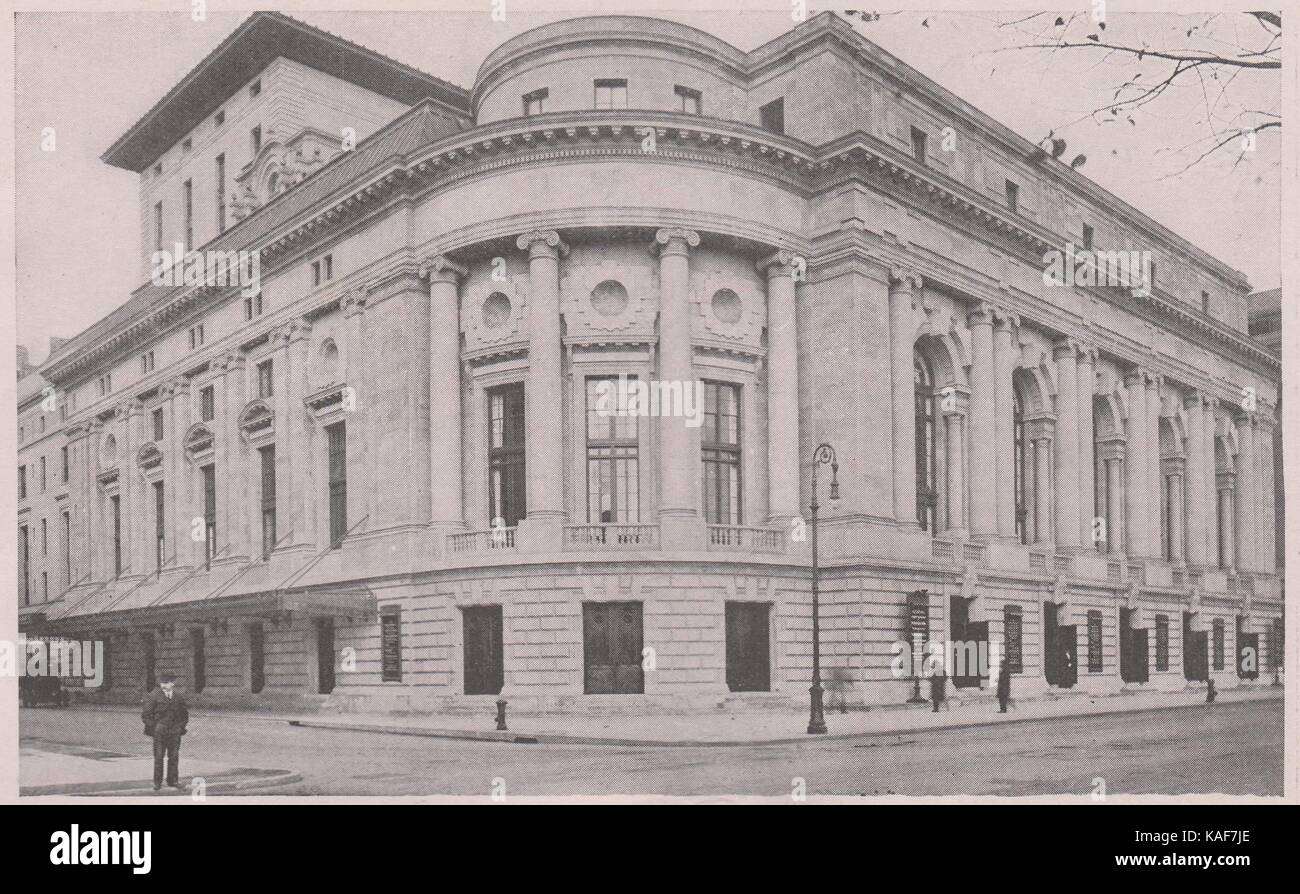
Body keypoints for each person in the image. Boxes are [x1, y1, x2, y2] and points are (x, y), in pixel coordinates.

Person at [142, 674, 189, 792]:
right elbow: (145, 715)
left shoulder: (178, 697)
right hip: (160, 731)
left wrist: (180, 727)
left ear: (172, 683)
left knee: (174, 756)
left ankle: (173, 780)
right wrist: (155, 727)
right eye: (162, 683)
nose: (164, 685)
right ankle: (157, 782)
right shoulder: (153, 696)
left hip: (174, 731)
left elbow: (184, 715)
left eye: (167, 683)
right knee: (158, 756)